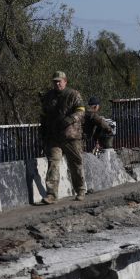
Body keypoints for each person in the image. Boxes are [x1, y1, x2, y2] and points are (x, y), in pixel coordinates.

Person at [40, 71, 87, 204]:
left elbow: (81, 110)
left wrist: (71, 119)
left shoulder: (73, 94)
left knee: (75, 164)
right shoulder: (49, 96)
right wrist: (43, 132)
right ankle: (51, 194)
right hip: (54, 136)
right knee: (53, 164)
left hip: (71, 136)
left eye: (59, 81)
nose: (57, 83)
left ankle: (81, 190)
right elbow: (44, 115)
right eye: (55, 81)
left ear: (65, 81)